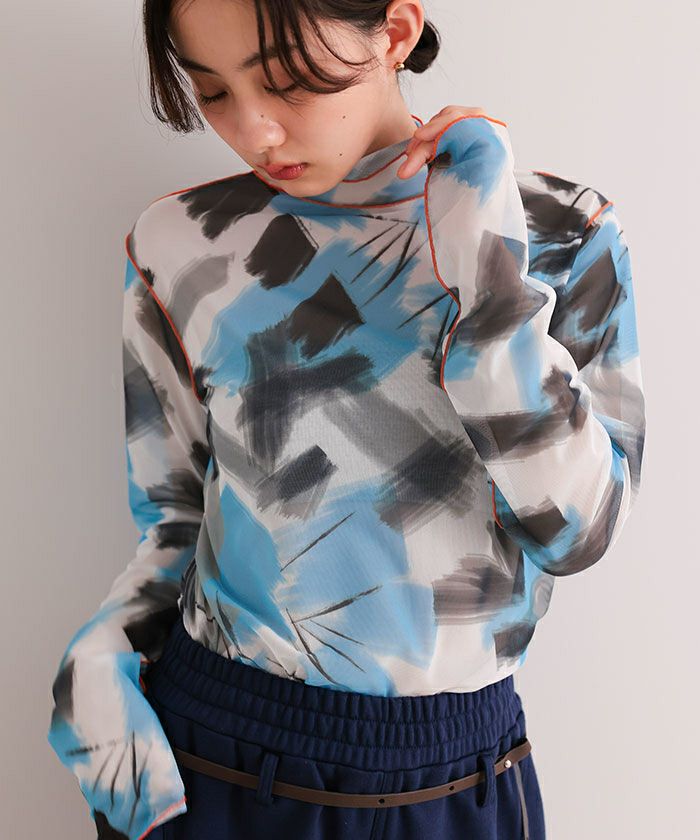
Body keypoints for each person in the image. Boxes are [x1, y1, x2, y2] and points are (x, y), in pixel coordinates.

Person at [47, 1, 646, 838]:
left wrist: (489, 275)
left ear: (395, 33)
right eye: (212, 91)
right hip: (216, 751)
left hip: (459, 769)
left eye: (286, 81)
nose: (254, 131)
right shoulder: (180, 244)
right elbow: (174, 517)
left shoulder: (562, 234)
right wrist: (102, 651)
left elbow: (577, 534)